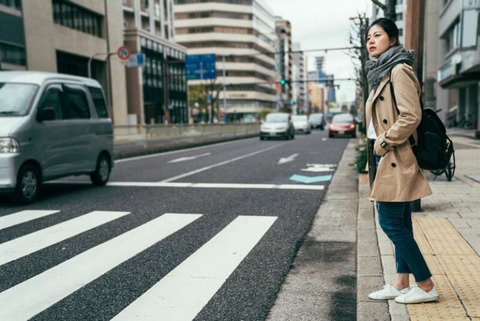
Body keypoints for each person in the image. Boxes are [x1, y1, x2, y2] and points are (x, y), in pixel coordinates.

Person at [364, 18, 439, 304]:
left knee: (390, 222)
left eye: (378, 35)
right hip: (385, 154)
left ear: (393, 40)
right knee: (401, 222)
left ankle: (426, 284)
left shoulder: (399, 70)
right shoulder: (381, 71)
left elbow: (411, 115)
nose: (371, 40)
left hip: (394, 153)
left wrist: (384, 142)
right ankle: (400, 282)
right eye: (368, 36)